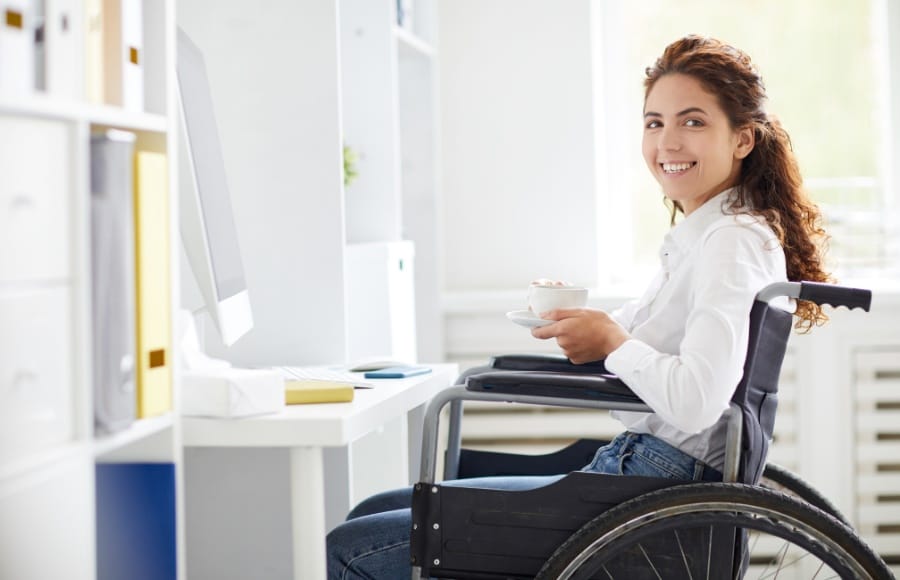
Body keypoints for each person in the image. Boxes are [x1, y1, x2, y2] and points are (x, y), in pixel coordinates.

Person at [326, 34, 831, 579]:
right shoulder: (712, 233)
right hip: (643, 471)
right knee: (373, 513)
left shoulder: (729, 242)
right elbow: (656, 362)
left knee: (351, 546)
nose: (668, 143)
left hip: (652, 486)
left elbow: (698, 401)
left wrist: (613, 343)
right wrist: (591, 332)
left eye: (693, 122)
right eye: (654, 122)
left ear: (743, 140)